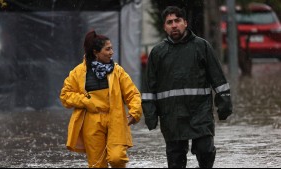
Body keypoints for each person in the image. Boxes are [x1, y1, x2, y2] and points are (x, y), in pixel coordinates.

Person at [141, 6, 233, 168]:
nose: (174, 25)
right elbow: (149, 88)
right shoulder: (157, 53)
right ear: (164, 27)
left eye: (177, 21)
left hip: (200, 113)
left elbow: (218, 78)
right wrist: (150, 114)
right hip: (171, 116)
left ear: (185, 23)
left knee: (205, 150)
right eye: (170, 22)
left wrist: (224, 104)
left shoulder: (201, 47)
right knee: (175, 159)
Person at [60, 30, 142, 168]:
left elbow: (132, 94)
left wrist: (135, 112)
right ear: (95, 52)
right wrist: (86, 101)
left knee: (117, 158)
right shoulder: (78, 72)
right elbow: (65, 95)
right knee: (96, 164)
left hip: (115, 119)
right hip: (91, 122)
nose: (111, 52)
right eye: (108, 49)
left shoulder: (117, 71)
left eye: (111, 48)